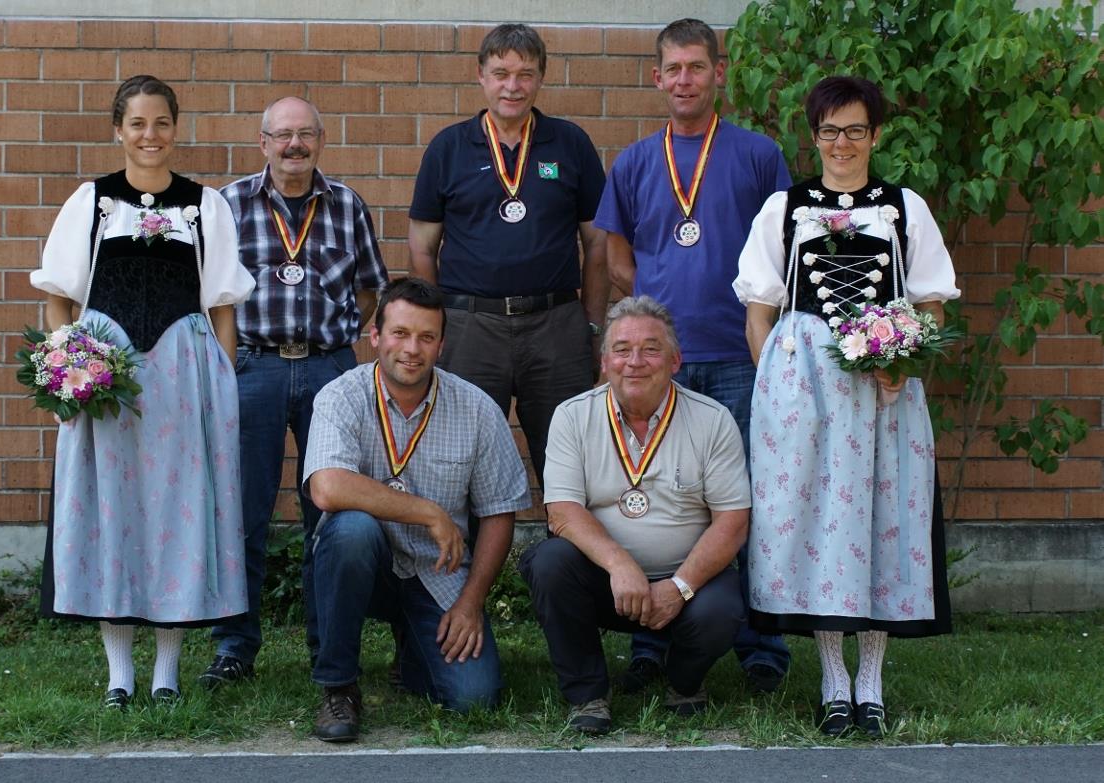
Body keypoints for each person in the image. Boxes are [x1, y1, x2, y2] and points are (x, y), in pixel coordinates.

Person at [732, 75, 960, 738]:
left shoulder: (904, 207)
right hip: (805, 390)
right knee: (819, 525)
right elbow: (759, 309)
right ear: (815, 136)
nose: (842, 142)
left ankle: (872, 682)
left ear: (875, 135)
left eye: (855, 129)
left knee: (881, 518)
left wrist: (906, 360)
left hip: (886, 393)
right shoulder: (785, 208)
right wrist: (774, 386)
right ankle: (834, 679)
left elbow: (932, 302)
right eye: (830, 130)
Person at [31, 75, 254, 709]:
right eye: (137, 124)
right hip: (109, 380)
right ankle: (118, 674)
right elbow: (58, 294)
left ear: (175, 128)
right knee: (115, 514)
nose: (149, 136)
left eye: (161, 123)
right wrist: (71, 362)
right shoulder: (92, 202)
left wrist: (224, 380)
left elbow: (223, 308)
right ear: (118, 130)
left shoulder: (203, 207)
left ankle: (167, 671)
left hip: (184, 377)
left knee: (176, 513)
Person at [594, 17, 792, 694]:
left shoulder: (759, 154)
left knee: (746, 501)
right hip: (658, 364)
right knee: (657, 499)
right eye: (672, 68)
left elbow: (784, 253)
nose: (684, 79)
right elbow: (617, 256)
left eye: (696, 67)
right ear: (657, 78)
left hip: (739, 357)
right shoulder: (633, 163)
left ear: (719, 74)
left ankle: (761, 644)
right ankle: (652, 640)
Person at [200, 97, 389, 689]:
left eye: (305, 134)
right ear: (263, 143)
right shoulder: (228, 206)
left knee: (328, 514)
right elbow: (207, 296)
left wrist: (332, 340)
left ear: (322, 140)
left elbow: (370, 291)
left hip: (329, 372)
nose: (294, 145)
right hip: (252, 369)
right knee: (242, 514)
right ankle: (235, 648)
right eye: (283, 135)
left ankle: (326, 648)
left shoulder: (348, 205)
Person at [303, 277, 531, 742]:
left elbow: (500, 513)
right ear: (376, 336)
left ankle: (412, 652)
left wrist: (470, 603)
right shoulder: (340, 396)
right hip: (364, 568)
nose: (412, 349)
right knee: (351, 531)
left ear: (441, 345)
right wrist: (429, 512)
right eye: (400, 334)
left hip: (438, 573)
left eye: (426, 337)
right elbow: (326, 487)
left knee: (473, 697)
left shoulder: (476, 409)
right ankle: (338, 686)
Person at [519, 296, 750, 735]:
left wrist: (680, 587)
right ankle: (587, 695)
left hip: (686, 583)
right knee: (548, 563)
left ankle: (684, 684)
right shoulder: (572, 417)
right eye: (621, 350)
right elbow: (562, 512)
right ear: (604, 362)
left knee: (721, 608)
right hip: (606, 581)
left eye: (651, 348)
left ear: (676, 360)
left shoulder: (712, 420)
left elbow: (732, 521)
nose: (635, 362)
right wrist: (620, 564)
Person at [408, 22, 608, 489]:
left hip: (556, 326)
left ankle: (573, 562)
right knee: (462, 464)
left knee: (571, 464)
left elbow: (597, 243)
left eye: (525, 74)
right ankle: (463, 563)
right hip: (471, 327)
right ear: (481, 76)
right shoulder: (448, 148)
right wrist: (438, 327)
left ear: (541, 78)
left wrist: (592, 326)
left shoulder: (570, 143)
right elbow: (421, 246)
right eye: (501, 73)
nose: (512, 86)